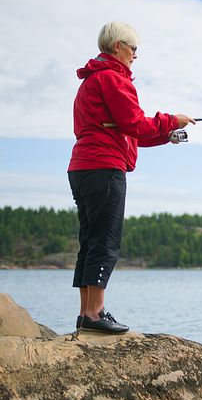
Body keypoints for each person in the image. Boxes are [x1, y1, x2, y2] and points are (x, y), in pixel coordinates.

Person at [68, 21, 195, 334]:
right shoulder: (113, 79)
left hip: (82, 167)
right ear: (117, 47)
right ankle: (95, 314)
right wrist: (172, 119)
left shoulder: (90, 82)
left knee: (89, 240)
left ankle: (86, 313)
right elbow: (136, 124)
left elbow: (127, 129)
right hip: (104, 168)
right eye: (133, 48)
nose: (136, 55)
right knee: (105, 241)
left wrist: (169, 134)